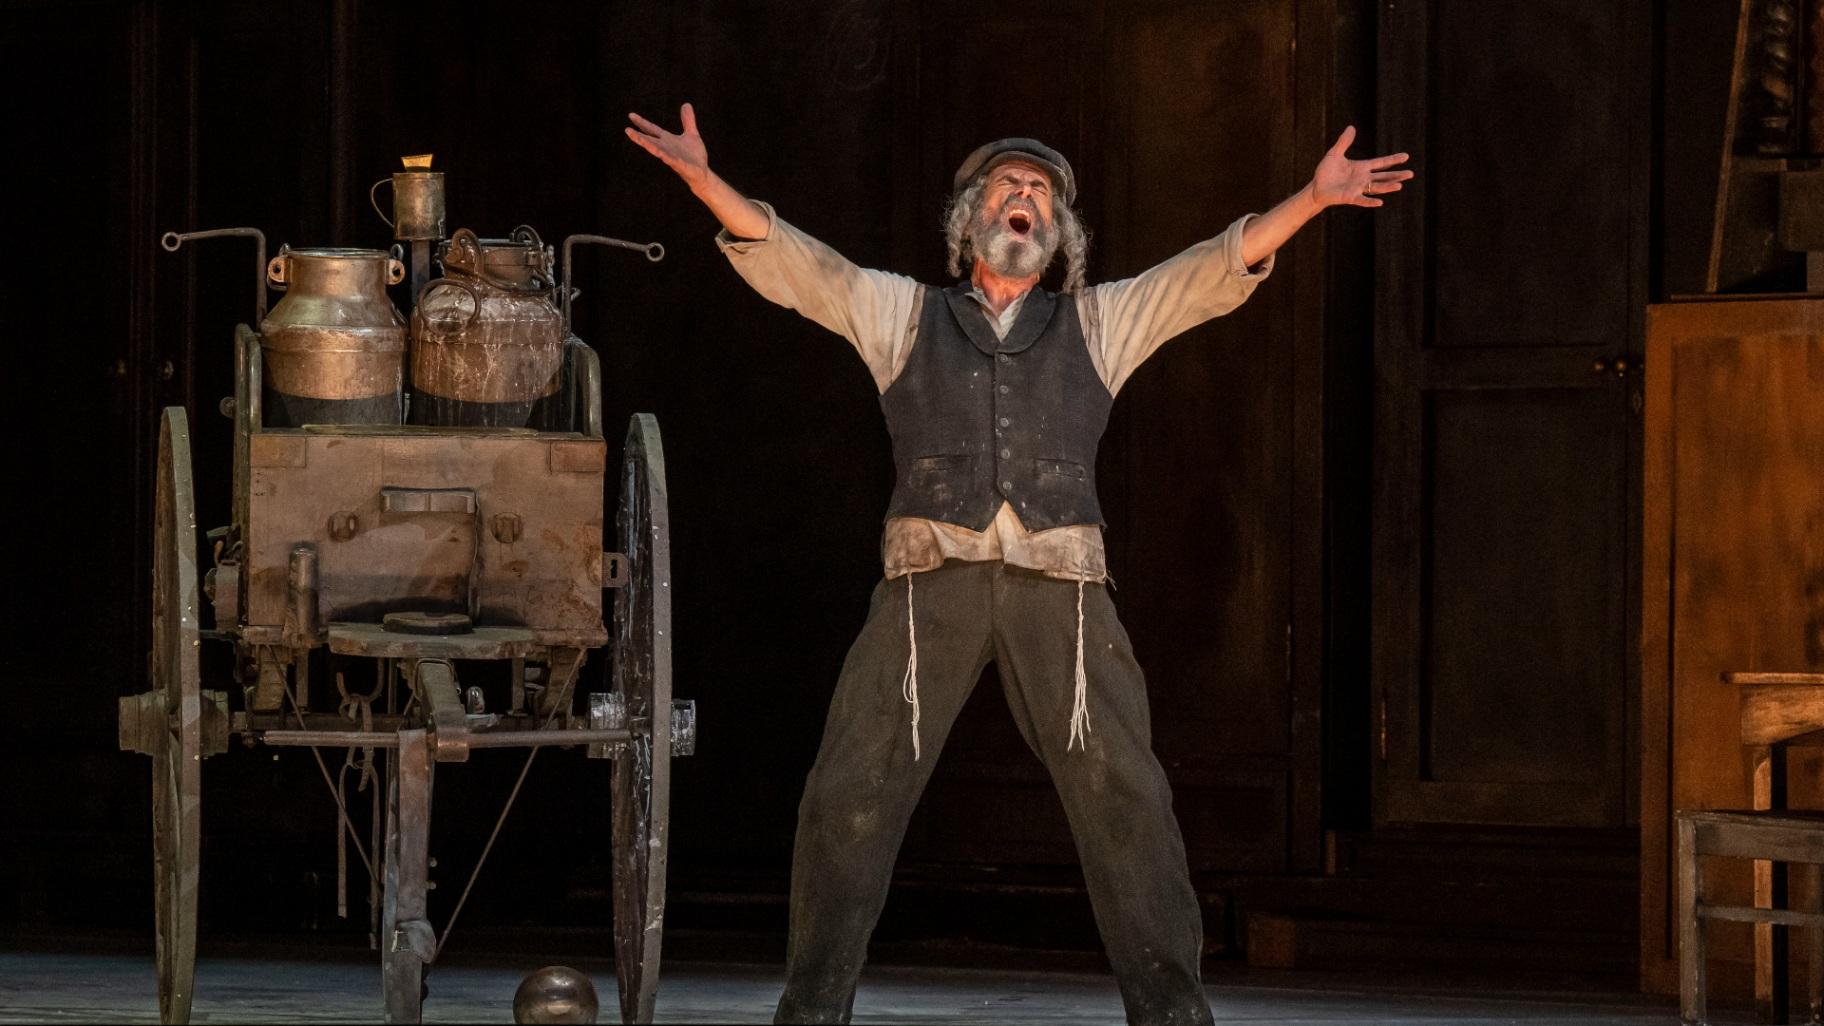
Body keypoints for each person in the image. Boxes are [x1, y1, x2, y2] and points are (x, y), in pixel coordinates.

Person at [625, 102, 1411, 1026]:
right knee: (849, 794)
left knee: (1128, 800)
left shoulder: (1099, 323)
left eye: (1040, 190)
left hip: (1063, 589)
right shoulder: (903, 313)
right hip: (928, 584)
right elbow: (804, 266)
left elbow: (1208, 271)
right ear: (972, 218)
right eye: (1009, 185)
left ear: (1058, 229)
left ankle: (1172, 1015)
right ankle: (812, 1011)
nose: (1025, 196)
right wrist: (704, 182)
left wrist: (1313, 200)